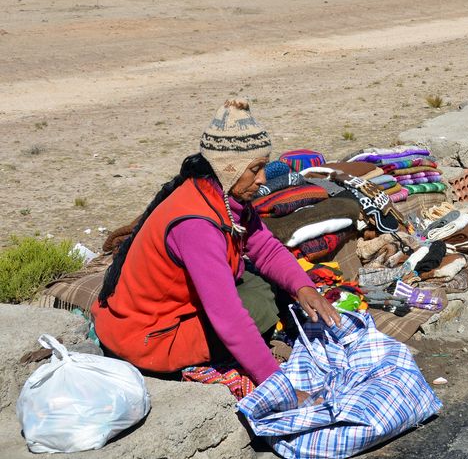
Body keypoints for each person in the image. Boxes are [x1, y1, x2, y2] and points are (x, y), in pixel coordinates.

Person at [92, 99, 339, 385]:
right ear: (229, 168)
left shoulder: (222, 197)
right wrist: (276, 384)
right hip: (149, 338)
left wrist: (304, 287)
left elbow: (266, 248)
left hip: (151, 321)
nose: (262, 179)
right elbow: (229, 317)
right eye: (255, 169)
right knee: (260, 304)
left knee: (262, 281)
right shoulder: (197, 224)